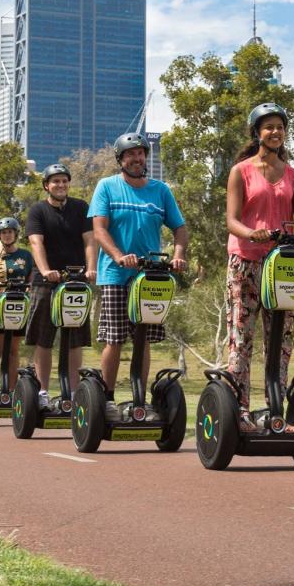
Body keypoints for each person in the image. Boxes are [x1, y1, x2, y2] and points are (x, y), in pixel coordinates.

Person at [225, 103, 294, 433]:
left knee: (281, 340)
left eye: (280, 127)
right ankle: (238, 410)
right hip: (246, 261)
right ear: (257, 132)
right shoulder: (241, 170)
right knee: (242, 338)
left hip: (283, 266)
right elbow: (231, 220)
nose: (275, 131)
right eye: (268, 126)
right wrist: (251, 232)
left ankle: (276, 410)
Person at [89, 133, 189, 408]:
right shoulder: (106, 186)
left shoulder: (160, 190)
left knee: (143, 339)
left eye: (140, 153)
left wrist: (178, 255)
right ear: (120, 159)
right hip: (115, 274)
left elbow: (179, 227)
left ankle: (139, 399)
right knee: (115, 338)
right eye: (130, 154)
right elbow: (99, 229)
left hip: (150, 275)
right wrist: (120, 256)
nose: (137, 158)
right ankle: (107, 398)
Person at [25, 162, 97, 409]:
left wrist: (91, 268)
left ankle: (76, 392)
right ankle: (43, 391)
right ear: (47, 185)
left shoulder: (80, 208)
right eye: (55, 181)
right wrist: (45, 270)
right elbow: (36, 243)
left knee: (76, 339)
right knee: (44, 339)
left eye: (64, 181)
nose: (61, 185)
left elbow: (89, 240)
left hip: (76, 281)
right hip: (47, 281)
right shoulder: (38, 210)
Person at [0, 217, 34, 399]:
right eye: (4, 232)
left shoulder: (26, 256)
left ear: (15, 234)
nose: (7, 235)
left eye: (10, 232)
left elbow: (31, 279)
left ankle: (11, 391)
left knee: (13, 349)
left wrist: (30, 287)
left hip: (18, 306)